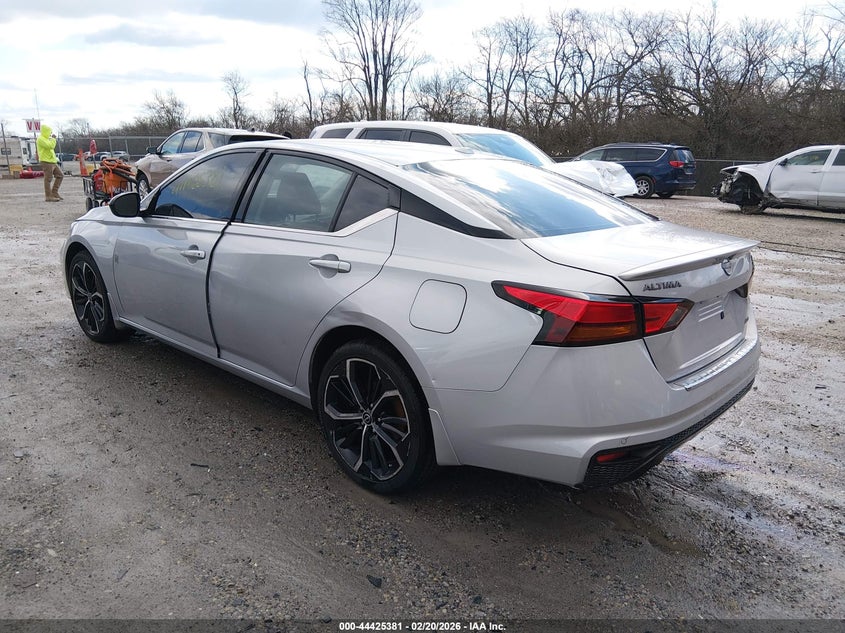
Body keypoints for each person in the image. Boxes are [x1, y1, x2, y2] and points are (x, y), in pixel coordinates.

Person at [36, 125, 63, 202]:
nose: (50, 133)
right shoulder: (40, 139)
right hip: (46, 161)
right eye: (49, 132)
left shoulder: (47, 139)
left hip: (52, 161)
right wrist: (54, 139)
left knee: (60, 175)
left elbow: (50, 148)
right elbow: (50, 146)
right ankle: (48, 196)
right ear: (45, 131)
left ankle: (54, 192)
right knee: (48, 179)